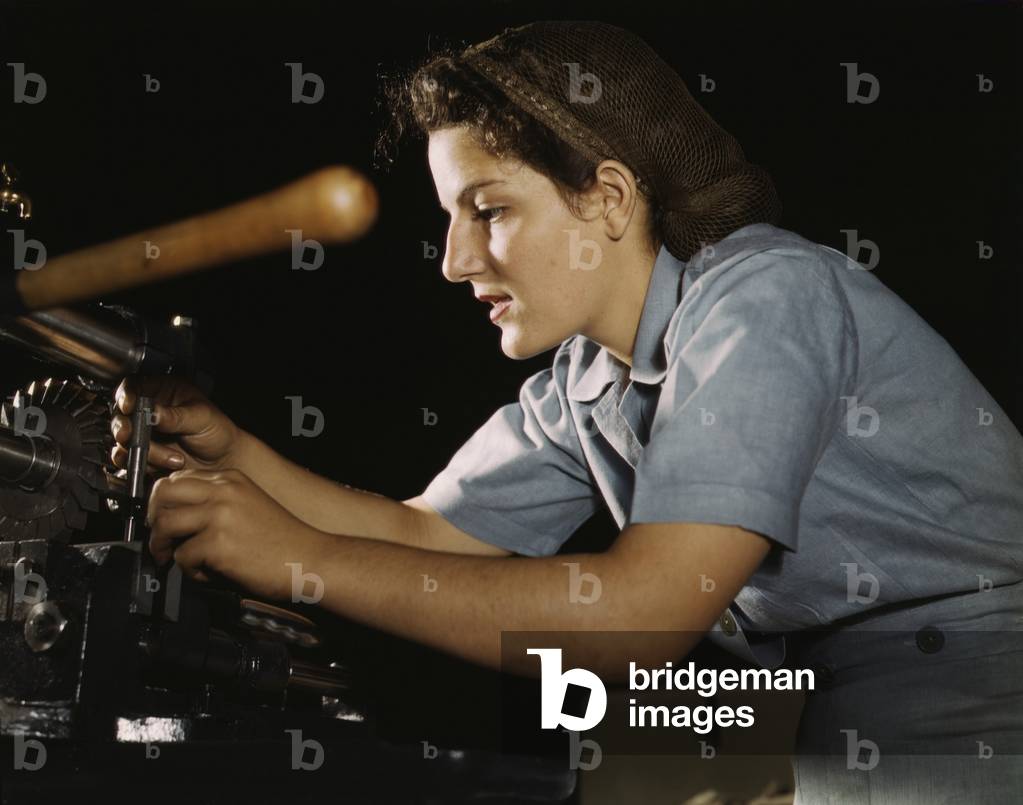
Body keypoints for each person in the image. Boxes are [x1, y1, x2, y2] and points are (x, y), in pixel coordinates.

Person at [113, 21, 1023, 804]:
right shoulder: (587, 381)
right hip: (813, 694)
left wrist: (301, 560)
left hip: (979, 691)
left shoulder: (765, 297)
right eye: (450, 218)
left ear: (609, 197)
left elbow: (645, 612)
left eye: (489, 210)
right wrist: (235, 458)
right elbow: (422, 537)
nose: (454, 261)